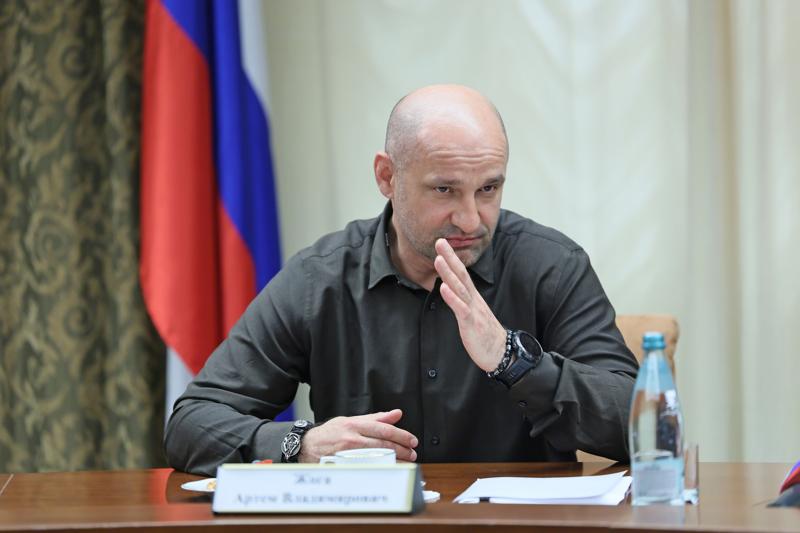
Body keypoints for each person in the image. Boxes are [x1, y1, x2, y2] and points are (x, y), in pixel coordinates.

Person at [164, 84, 639, 475]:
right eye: (444, 189)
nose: (471, 219)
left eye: (488, 188)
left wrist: (513, 360)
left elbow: (641, 425)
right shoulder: (319, 280)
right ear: (387, 176)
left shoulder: (551, 266)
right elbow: (190, 425)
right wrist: (301, 444)